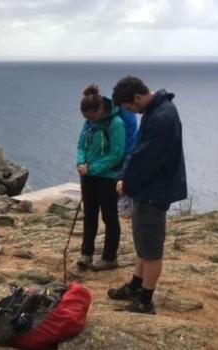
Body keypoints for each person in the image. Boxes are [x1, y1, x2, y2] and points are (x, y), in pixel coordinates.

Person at [109, 76, 187, 314]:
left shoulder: (162, 117)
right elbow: (139, 153)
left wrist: (127, 185)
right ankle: (135, 286)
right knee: (143, 242)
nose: (131, 112)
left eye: (129, 107)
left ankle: (145, 300)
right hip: (147, 190)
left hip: (154, 191)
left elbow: (147, 160)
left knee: (151, 249)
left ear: (136, 97)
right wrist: (126, 180)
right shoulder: (156, 110)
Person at [76, 84, 126, 271]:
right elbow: (81, 145)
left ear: (100, 110)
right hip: (89, 175)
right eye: (86, 118)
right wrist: (81, 163)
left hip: (108, 177)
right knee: (89, 215)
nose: (89, 120)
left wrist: (93, 168)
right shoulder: (89, 123)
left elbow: (116, 154)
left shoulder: (116, 124)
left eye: (91, 116)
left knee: (109, 216)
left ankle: (109, 257)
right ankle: (86, 254)